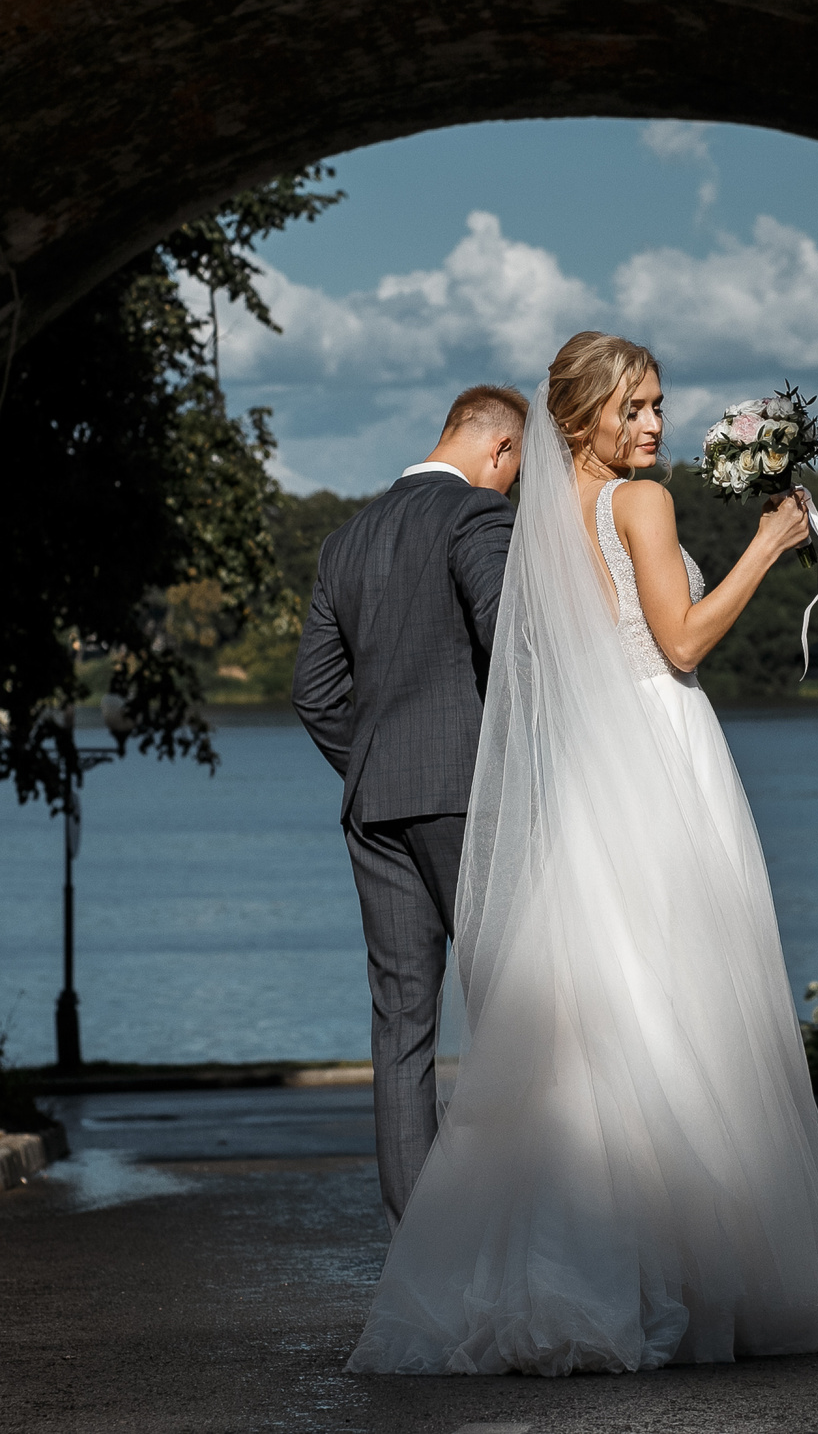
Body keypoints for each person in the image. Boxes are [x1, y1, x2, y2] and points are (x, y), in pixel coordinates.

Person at [348, 331, 818, 1376]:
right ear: (584, 417)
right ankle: (688, 1270)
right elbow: (677, 645)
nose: (655, 426)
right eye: (635, 408)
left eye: (659, 406)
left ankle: (575, 1266)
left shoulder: (537, 518)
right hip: (661, 748)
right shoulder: (642, 504)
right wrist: (769, 546)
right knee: (682, 1006)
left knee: (599, 1017)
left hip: (590, 770)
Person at [293, 383, 529, 1232]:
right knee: (515, 1008)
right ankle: (521, 1226)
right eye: (516, 472)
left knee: (402, 1026)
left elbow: (314, 695)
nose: (511, 489)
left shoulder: (346, 540)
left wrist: (381, 765)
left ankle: (420, 1243)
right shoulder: (474, 517)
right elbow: (510, 637)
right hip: (466, 794)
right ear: (499, 450)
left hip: (375, 802)